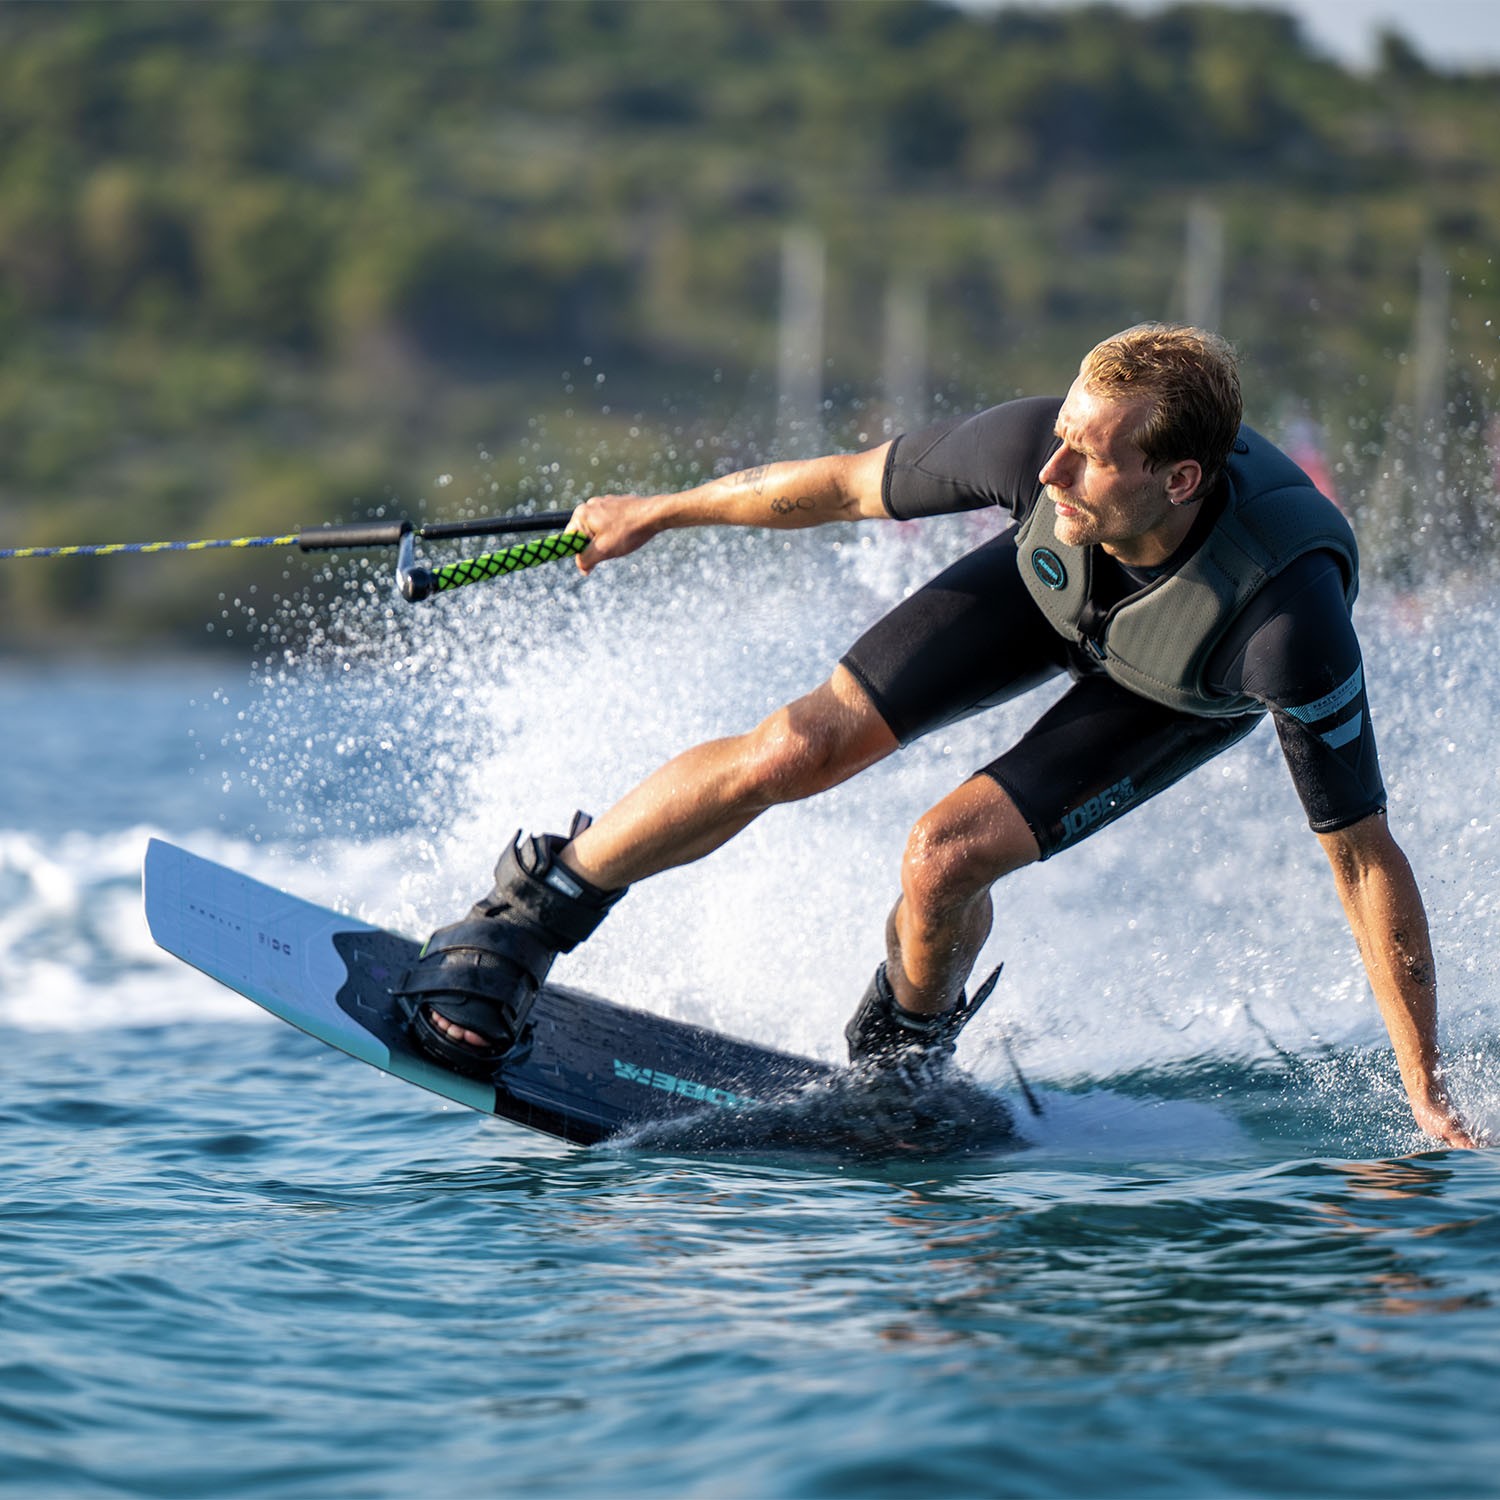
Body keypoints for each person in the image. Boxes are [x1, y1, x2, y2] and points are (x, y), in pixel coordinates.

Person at [394, 323, 1479, 1149]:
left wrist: (1423, 1091)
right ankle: (530, 913)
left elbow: (1362, 858)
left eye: (1088, 457)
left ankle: (900, 1067)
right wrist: (656, 511)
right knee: (798, 746)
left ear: (1178, 479)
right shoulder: (1038, 452)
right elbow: (837, 486)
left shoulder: (1290, 624)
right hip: (1049, 593)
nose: (1050, 473)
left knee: (942, 857)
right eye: (1060, 439)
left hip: (1179, 686)